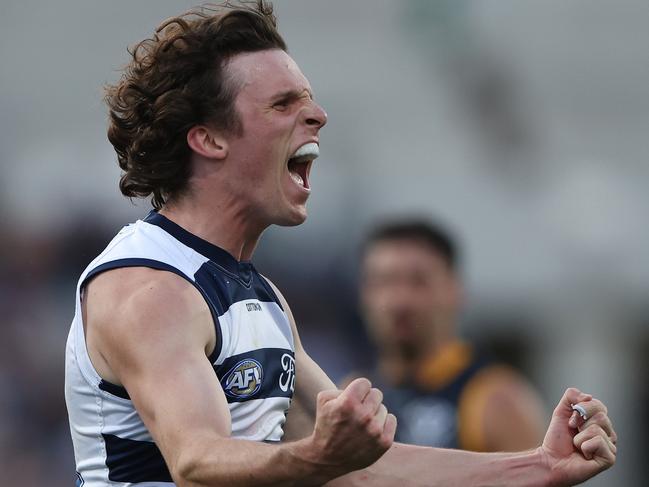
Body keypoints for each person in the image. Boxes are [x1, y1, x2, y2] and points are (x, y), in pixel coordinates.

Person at [64, 2, 616, 486]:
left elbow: (363, 471)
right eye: (282, 104)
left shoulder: (260, 297)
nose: (318, 115)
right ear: (208, 138)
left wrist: (542, 467)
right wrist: (315, 457)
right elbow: (197, 463)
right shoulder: (149, 288)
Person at [357, 219, 546, 451]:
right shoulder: (353, 395)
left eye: (419, 282)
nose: (400, 301)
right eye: (385, 282)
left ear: (455, 291)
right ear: (365, 294)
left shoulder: (498, 401)